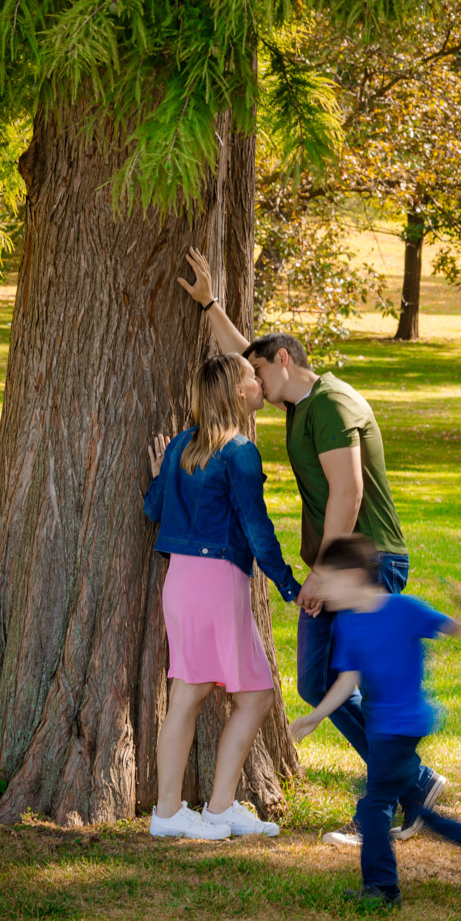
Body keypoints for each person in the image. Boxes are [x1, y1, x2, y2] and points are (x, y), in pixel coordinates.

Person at [178, 247, 447, 847]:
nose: (252, 386)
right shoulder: (298, 404)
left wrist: (323, 576)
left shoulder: (330, 402)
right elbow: (242, 354)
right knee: (316, 680)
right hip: (337, 568)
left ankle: (390, 802)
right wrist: (211, 305)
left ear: (285, 360)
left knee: (364, 682)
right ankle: (414, 784)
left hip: (365, 565)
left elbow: (348, 497)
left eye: (258, 374)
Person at [289, 535, 461, 908]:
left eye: (330, 581)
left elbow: (451, 627)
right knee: (419, 809)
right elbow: (347, 680)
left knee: (375, 805)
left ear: (356, 575)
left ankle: (383, 888)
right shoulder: (347, 624)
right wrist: (315, 716)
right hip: (380, 727)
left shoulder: (403, 608)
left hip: (403, 724)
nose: (324, 591)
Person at [144, 353, 302, 841]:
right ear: (236, 391)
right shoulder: (239, 452)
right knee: (196, 694)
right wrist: (290, 586)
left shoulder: (179, 448)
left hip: (186, 583)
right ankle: (170, 814)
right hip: (214, 582)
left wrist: (161, 472)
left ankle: (217, 808)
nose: (259, 383)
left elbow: (154, 508)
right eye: (251, 378)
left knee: (248, 694)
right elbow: (258, 530)